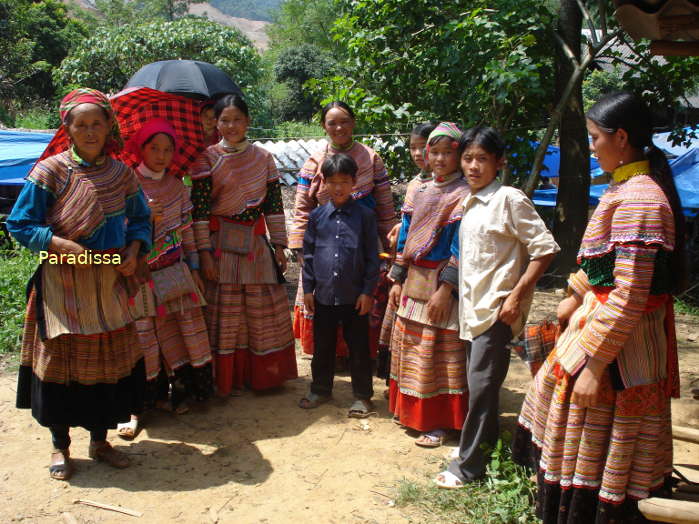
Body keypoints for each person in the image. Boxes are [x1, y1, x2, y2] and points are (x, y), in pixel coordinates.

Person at [512, 92, 685, 523]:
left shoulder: (640, 201)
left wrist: (593, 366)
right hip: (604, 332)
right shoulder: (625, 188)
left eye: (594, 138)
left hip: (620, 349)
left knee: (605, 435)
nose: (591, 147)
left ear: (620, 137)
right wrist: (574, 294)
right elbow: (601, 263)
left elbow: (629, 295)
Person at [6, 88, 152, 480]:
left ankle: (100, 441)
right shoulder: (49, 171)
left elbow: (141, 219)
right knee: (62, 367)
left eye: (96, 124)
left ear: (109, 127)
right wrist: (57, 243)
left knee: (106, 366)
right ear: (68, 128)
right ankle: (60, 445)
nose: (89, 131)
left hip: (108, 283)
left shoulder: (122, 174)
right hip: (62, 284)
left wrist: (134, 250)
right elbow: (19, 224)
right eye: (80, 124)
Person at [433, 126, 559, 487]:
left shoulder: (509, 199)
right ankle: (477, 452)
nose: (473, 166)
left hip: (498, 311)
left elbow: (545, 248)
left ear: (499, 162)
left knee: (483, 389)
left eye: (482, 159)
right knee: (479, 388)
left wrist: (517, 296)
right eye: (468, 158)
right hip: (473, 310)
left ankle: (468, 469)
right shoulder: (470, 201)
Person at [190, 94, 297, 395]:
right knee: (226, 313)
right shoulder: (206, 158)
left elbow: (274, 206)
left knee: (259, 311)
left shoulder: (264, 158)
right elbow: (198, 212)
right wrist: (204, 254)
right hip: (219, 246)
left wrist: (279, 246)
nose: (232, 125)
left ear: (248, 121)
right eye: (225, 120)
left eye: (237, 119)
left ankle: (262, 376)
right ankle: (226, 379)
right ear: (216, 123)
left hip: (255, 245)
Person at [117, 119, 214, 440]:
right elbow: (114, 229)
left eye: (167, 149)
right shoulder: (126, 184)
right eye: (154, 148)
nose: (161, 154)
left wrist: (196, 268)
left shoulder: (177, 187)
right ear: (140, 149)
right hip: (138, 274)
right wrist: (145, 217)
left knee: (179, 331)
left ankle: (178, 395)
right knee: (143, 338)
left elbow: (186, 233)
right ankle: (137, 409)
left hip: (174, 272)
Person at [289, 101, 397, 358]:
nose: (339, 127)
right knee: (324, 300)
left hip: (363, 240)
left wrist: (391, 242)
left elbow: (383, 204)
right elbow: (303, 207)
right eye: (332, 122)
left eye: (345, 121)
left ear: (354, 122)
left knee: (361, 297)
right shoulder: (314, 162)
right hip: (323, 242)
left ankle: (358, 357)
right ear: (324, 126)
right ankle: (329, 359)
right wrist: (298, 246)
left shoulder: (372, 159)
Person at [386, 122, 470, 447]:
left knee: (439, 352)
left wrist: (446, 288)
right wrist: (397, 276)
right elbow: (405, 235)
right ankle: (410, 412)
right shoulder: (416, 190)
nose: (437, 158)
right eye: (433, 151)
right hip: (414, 279)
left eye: (447, 153)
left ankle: (438, 421)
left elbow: (459, 245)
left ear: (459, 155)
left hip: (441, 281)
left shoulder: (464, 194)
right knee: (411, 347)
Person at [298, 153, 379, 416]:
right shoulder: (317, 217)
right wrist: (308, 289)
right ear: (324, 183)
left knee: (358, 348)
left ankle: (363, 396)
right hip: (323, 295)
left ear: (354, 182)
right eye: (332, 182)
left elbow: (371, 257)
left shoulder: (365, 216)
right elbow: (308, 255)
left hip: (355, 296)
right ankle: (320, 389)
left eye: (344, 181)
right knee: (323, 346)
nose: (338, 187)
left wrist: (368, 291)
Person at [377, 122, 436, 388]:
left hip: (434, 270)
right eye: (412, 147)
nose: (417, 153)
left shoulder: (451, 186)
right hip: (408, 265)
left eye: (423, 147)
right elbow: (412, 221)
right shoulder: (415, 184)